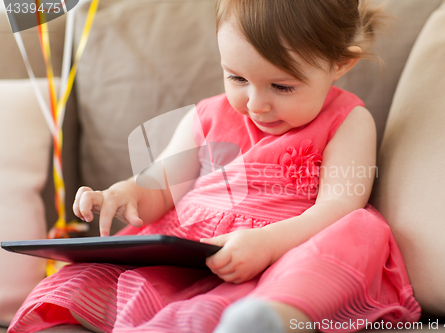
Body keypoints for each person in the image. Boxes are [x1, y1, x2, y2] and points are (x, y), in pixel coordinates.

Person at [8, 0, 421, 332]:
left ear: (340, 64)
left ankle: (274, 318)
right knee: (78, 284)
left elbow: (338, 207)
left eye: (282, 86)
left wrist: (267, 244)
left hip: (285, 250)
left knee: (355, 230)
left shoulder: (347, 119)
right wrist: (121, 194)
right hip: (187, 254)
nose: (255, 103)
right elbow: (159, 188)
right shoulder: (206, 117)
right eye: (237, 78)